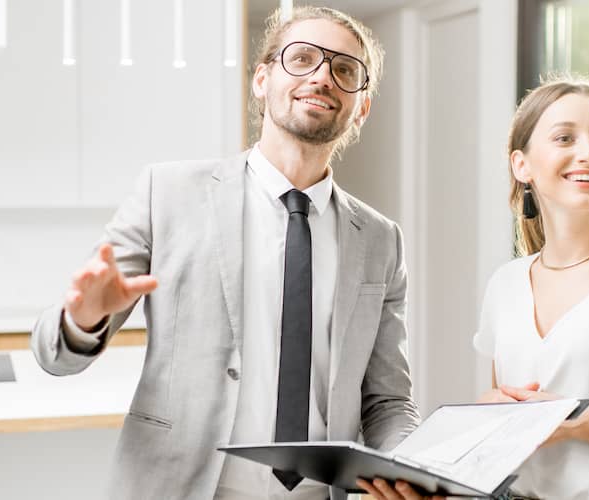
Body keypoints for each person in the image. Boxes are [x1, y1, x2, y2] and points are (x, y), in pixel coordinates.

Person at [30, 6, 420, 499]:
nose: (323, 75)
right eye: (302, 58)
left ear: (360, 106)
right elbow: (54, 357)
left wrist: (406, 467)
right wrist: (81, 320)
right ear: (262, 80)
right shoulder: (166, 193)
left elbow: (388, 402)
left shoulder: (382, 240)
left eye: (345, 70)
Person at [359, 76, 589, 500]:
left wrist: (581, 422)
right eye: (565, 137)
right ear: (522, 165)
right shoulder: (506, 285)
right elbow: (516, 444)